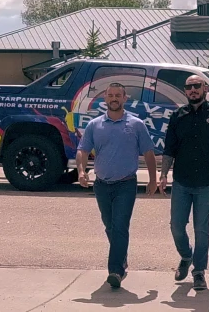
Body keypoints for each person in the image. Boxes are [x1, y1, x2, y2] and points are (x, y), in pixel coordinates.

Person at [76, 82, 158, 289]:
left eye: (118, 95)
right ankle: (121, 257)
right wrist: (81, 171)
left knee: (120, 226)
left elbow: (148, 153)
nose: (114, 98)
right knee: (110, 226)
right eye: (110, 95)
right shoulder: (94, 125)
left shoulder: (136, 124)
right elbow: (83, 150)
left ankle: (115, 271)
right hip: (101, 185)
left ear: (124, 98)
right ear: (105, 98)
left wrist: (152, 179)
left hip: (126, 184)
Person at [159, 75, 209, 291]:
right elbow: (169, 150)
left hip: (207, 183)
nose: (193, 90)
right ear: (185, 90)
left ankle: (199, 271)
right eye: (189, 87)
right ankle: (185, 256)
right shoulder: (177, 116)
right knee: (176, 227)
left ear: (204, 88)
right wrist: (163, 175)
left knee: (202, 228)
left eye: (197, 86)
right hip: (181, 181)